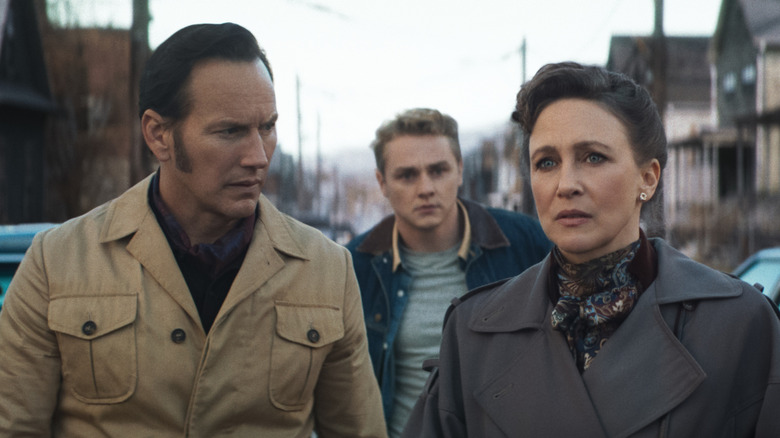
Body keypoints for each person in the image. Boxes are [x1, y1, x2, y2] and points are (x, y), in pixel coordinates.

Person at [0, 23, 385, 437]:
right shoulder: (57, 262)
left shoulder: (326, 271)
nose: (258, 156)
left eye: (267, 127)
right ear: (158, 135)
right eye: (230, 131)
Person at [403, 62, 780, 437]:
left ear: (647, 178)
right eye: (546, 162)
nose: (566, 185)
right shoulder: (474, 334)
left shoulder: (740, 327)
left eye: (593, 157)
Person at [345, 108, 551, 437]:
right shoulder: (354, 265)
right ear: (382, 183)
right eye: (407, 175)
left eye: (438, 170)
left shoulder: (525, 243)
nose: (425, 187)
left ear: (459, 170)